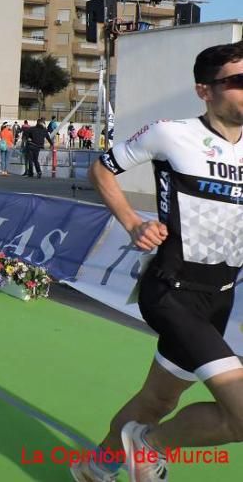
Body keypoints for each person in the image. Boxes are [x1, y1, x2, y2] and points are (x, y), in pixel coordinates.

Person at [71, 42, 243, 482]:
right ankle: (149, 447)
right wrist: (132, 223)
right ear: (204, 90)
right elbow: (101, 169)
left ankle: (98, 466)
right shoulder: (171, 133)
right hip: (172, 292)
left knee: (157, 401)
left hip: (220, 297)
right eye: (238, 82)